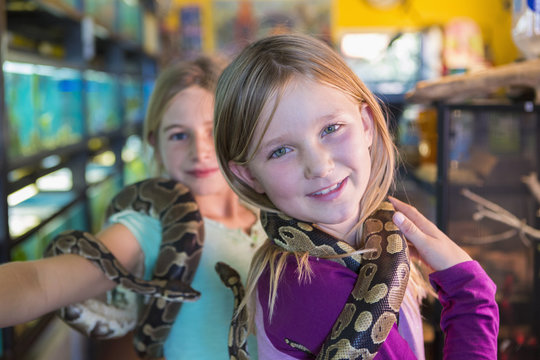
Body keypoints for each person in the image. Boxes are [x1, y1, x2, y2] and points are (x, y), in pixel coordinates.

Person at [213, 34, 499, 359]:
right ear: (249, 175)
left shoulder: (364, 239)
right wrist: (470, 295)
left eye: (331, 129)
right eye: (281, 150)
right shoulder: (315, 288)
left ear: (365, 125)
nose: (320, 166)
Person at [0, 56, 262, 359]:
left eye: (213, 131)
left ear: (237, 134)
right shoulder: (146, 228)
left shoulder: (270, 213)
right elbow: (40, 282)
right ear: (155, 144)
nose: (200, 150)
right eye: (179, 135)